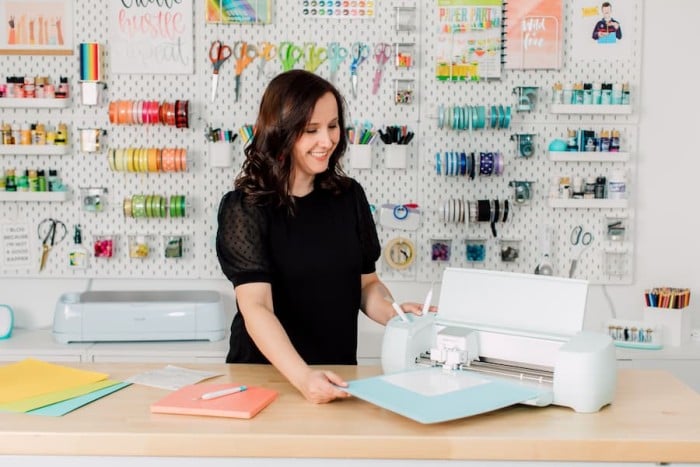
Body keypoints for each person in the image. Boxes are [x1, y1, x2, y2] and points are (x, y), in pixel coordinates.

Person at [216, 70, 429, 404]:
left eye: (332, 126)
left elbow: (366, 285)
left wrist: (395, 313)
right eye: (311, 130)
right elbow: (256, 308)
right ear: (281, 133)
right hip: (264, 378)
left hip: (334, 374)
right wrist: (302, 377)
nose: (327, 140)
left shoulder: (348, 197)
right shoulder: (245, 207)